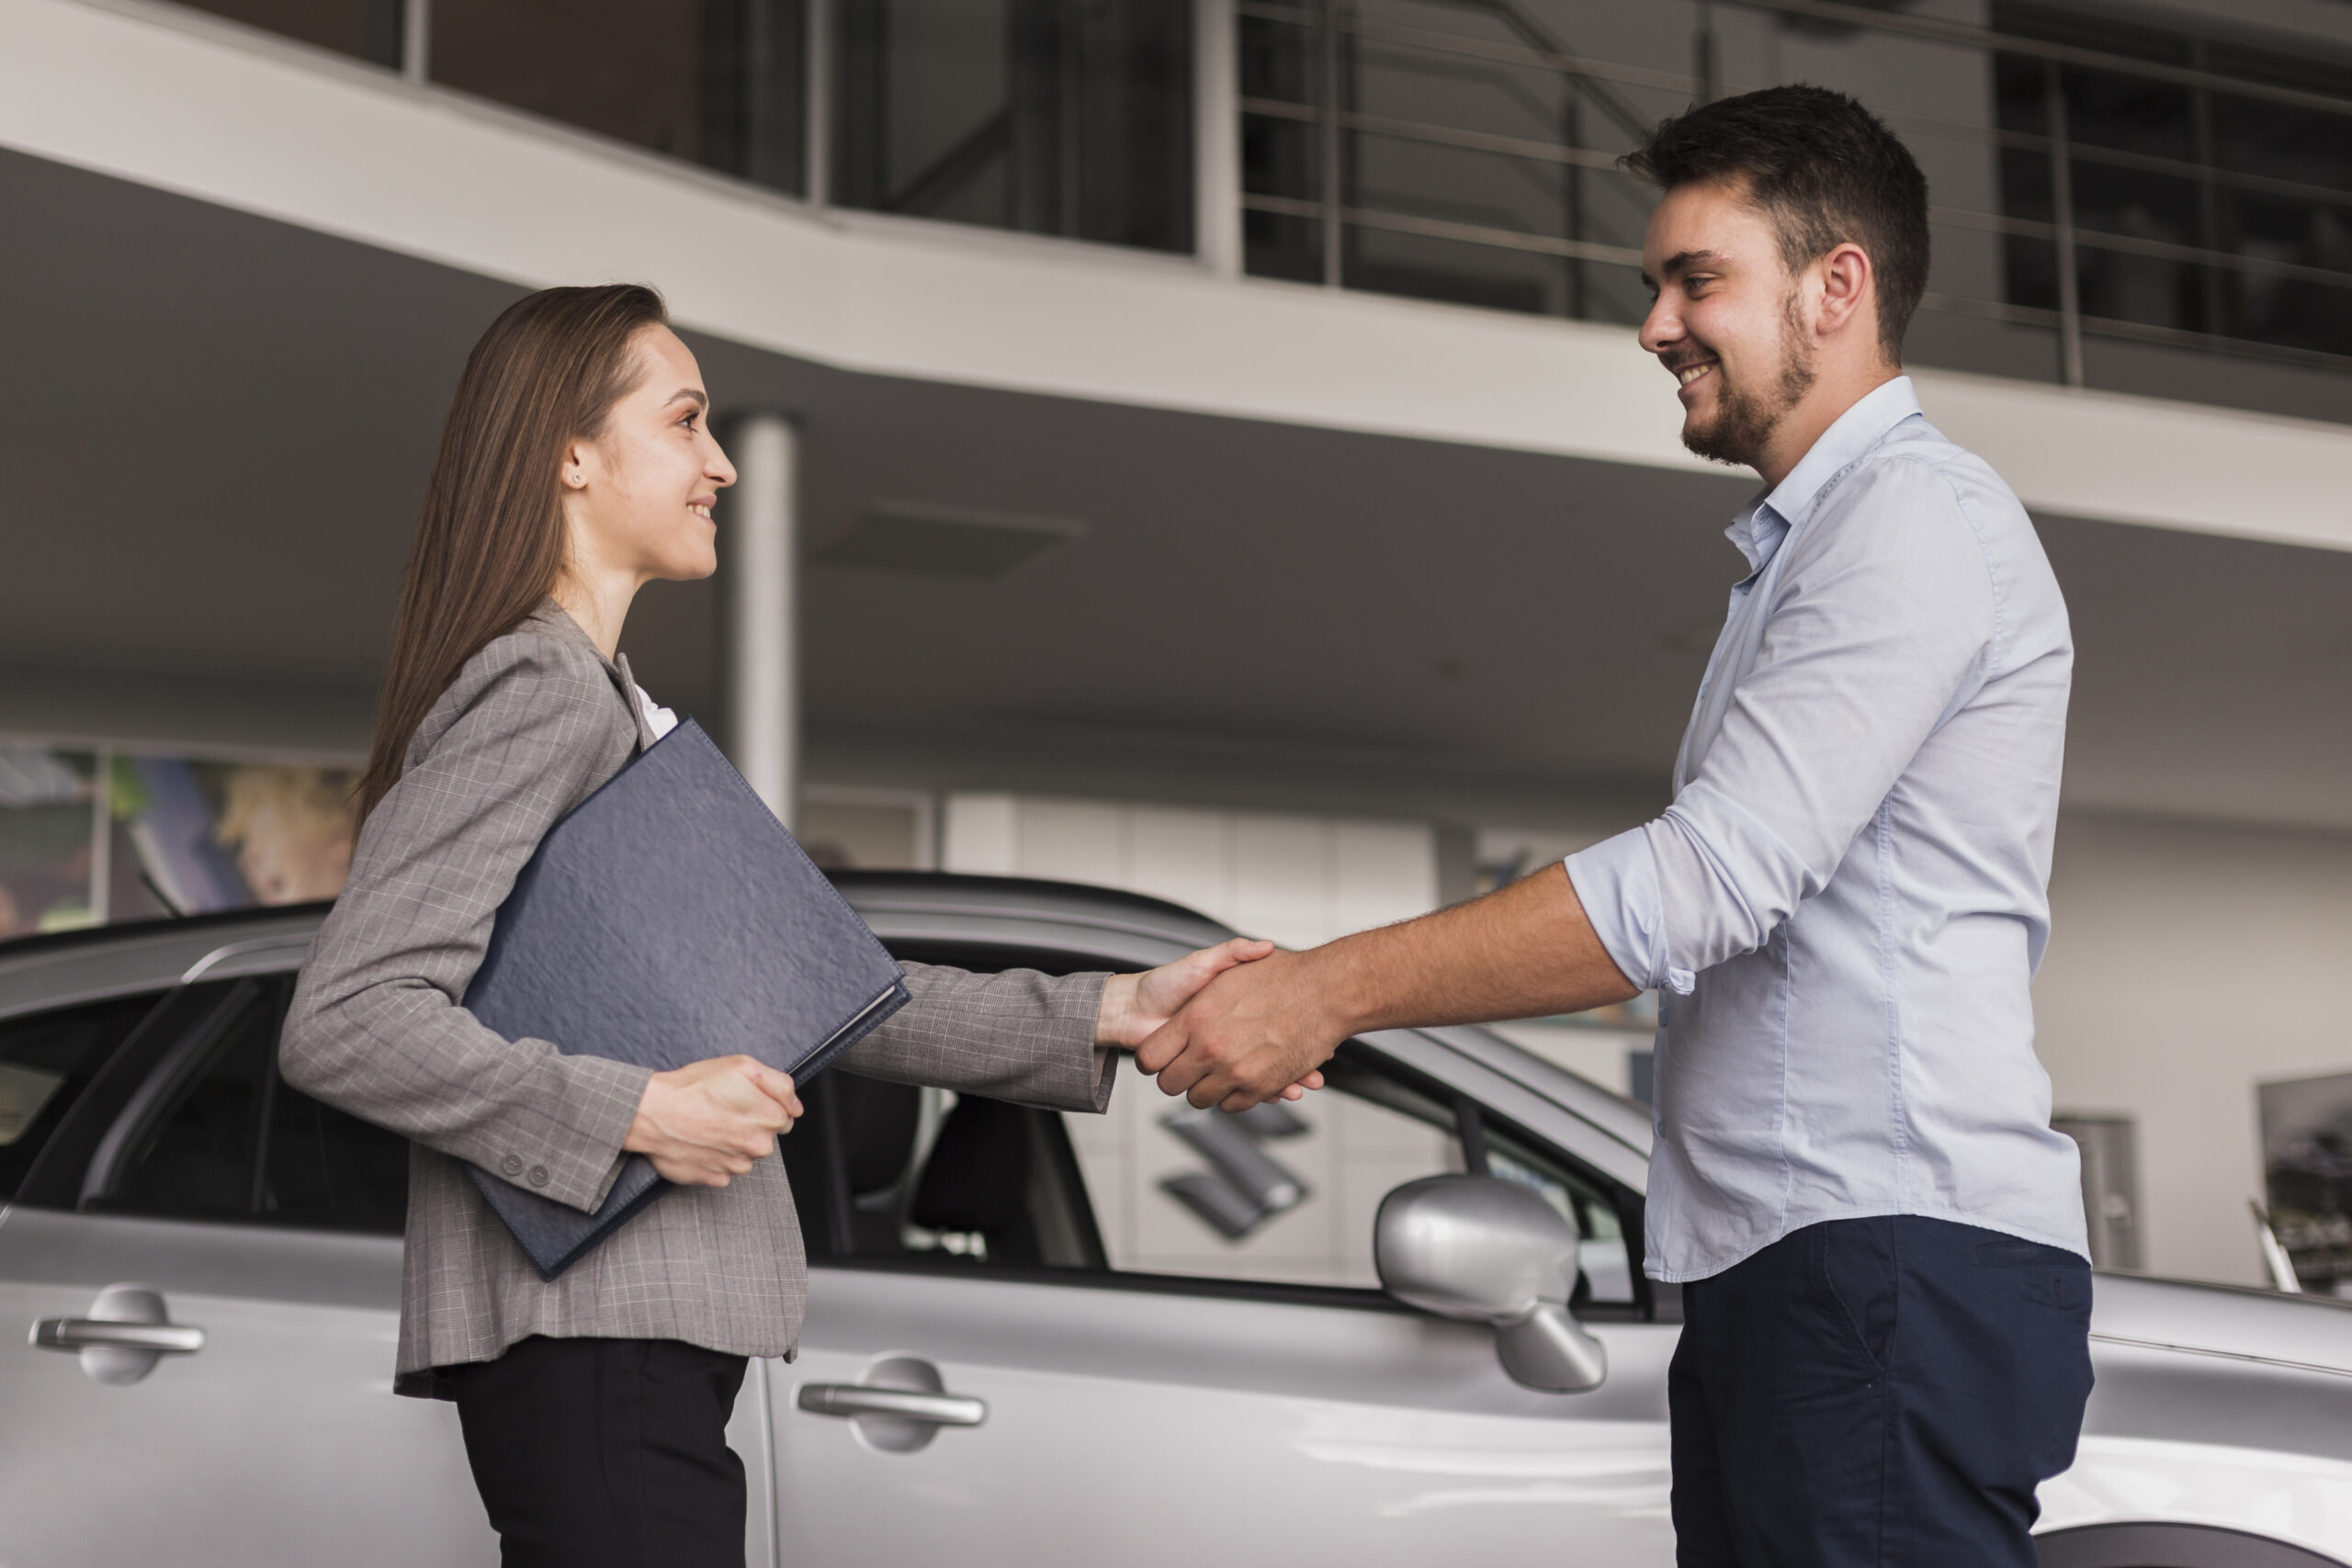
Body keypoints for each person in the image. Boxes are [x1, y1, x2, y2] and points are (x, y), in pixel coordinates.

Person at [1136, 85, 2093, 1567]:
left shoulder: (1915, 521)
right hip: (1805, 1262)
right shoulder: (1810, 551)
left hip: (1884, 1257)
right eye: (1657, 286)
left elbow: (1706, 883)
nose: (1653, 325)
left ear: (1835, 288)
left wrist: (1326, 989)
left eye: (1695, 279)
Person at [278, 284, 1303, 1568]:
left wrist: (1108, 1009)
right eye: (688, 422)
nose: (720, 466)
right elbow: (348, 1019)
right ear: (571, 455)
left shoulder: (602, 702)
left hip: (626, 1336)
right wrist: (639, 1115)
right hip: (599, 1331)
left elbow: (820, 992)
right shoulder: (539, 687)